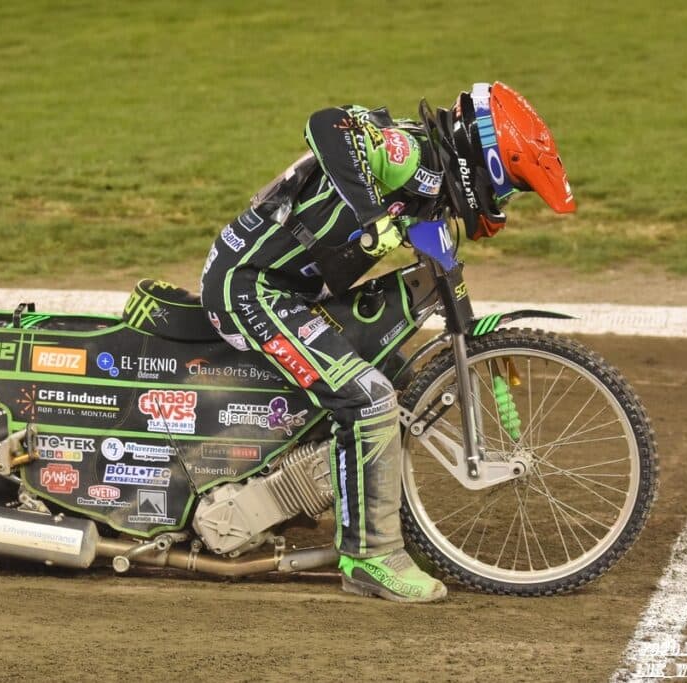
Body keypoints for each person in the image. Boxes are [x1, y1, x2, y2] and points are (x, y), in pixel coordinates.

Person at [200, 82, 575, 603]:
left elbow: (435, 261)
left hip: (294, 292)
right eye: (509, 188)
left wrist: (464, 318)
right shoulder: (410, 153)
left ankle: (340, 498)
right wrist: (374, 216)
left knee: (398, 382)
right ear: (485, 161)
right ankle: (369, 557)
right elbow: (327, 124)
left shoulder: (433, 183)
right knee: (370, 399)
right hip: (251, 288)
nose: (504, 202)